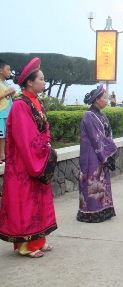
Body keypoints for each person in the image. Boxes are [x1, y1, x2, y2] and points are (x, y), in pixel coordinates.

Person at [0, 58, 57, 258]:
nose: (44, 82)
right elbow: (26, 137)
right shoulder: (20, 105)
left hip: (36, 158)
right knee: (25, 202)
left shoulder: (36, 102)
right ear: (29, 82)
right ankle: (26, 246)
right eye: (41, 79)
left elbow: (44, 129)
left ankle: (39, 241)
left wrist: (46, 145)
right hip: (24, 164)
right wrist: (43, 149)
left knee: (38, 201)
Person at [77, 84, 117, 223]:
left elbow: (107, 135)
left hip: (100, 154)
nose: (106, 100)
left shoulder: (101, 115)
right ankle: (91, 211)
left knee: (101, 181)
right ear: (97, 100)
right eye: (104, 98)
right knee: (92, 181)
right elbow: (96, 137)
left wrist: (108, 154)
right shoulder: (89, 116)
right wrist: (106, 155)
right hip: (91, 155)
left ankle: (103, 209)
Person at [0, 59, 15, 164]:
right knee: (1, 135)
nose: (10, 72)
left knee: (6, 135)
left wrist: (12, 93)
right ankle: (1, 155)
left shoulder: (6, 84)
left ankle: (4, 154)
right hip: (1, 113)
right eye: (8, 69)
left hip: (8, 113)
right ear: (1, 70)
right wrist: (7, 92)